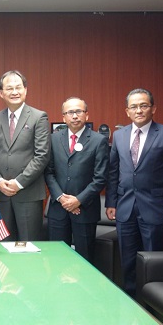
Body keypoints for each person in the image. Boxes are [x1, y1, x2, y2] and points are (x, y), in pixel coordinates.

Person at [105, 88, 163, 296]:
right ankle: (131, 301)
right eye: (134, 107)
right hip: (125, 208)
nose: (139, 110)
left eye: (143, 105)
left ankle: (154, 304)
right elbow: (113, 171)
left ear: (153, 109)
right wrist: (111, 202)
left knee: (154, 261)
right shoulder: (119, 135)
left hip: (155, 208)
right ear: (127, 111)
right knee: (127, 261)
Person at [0, 70, 50, 241]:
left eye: (18, 87)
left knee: (28, 244)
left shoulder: (39, 117)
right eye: (9, 88)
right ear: (1, 93)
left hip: (28, 194)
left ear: (25, 90)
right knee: (2, 245)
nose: (14, 92)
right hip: (2, 194)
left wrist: (18, 183)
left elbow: (42, 155)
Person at [44, 97, 109, 262]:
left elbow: (100, 177)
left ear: (86, 115)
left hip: (85, 210)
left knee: (84, 259)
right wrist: (62, 198)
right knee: (57, 259)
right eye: (70, 112)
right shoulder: (53, 139)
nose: (74, 116)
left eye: (78, 111)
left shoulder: (98, 140)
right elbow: (48, 172)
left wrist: (78, 200)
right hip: (58, 209)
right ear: (63, 117)